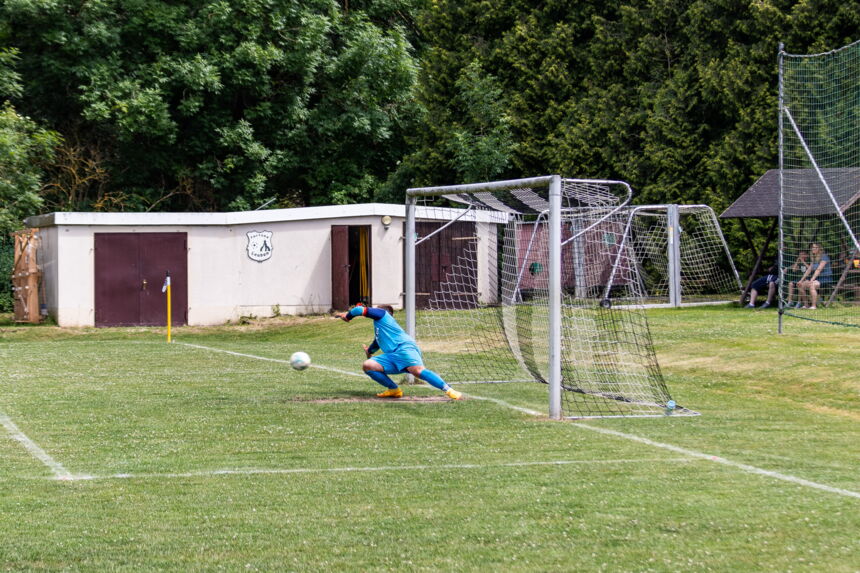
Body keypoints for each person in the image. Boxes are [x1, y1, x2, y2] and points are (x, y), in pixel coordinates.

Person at [336, 304, 462, 400]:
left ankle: (449, 390)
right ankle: (394, 390)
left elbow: (359, 309)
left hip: (404, 348)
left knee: (417, 371)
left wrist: (347, 316)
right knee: (368, 365)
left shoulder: (383, 314)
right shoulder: (381, 327)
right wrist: (369, 351)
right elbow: (376, 343)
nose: (374, 311)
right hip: (392, 356)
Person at [796, 242, 832, 310]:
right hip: (816, 279)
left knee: (812, 285)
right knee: (800, 285)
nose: (813, 249)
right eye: (812, 247)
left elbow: (818, 270)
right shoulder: (814, 258)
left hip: (825, 279)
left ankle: (813, 306)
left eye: (815, 247)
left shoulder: (824, 257)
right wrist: (801, 280)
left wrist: (811, 280)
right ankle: (806, 305)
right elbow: (808, 270)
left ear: (819, 248)